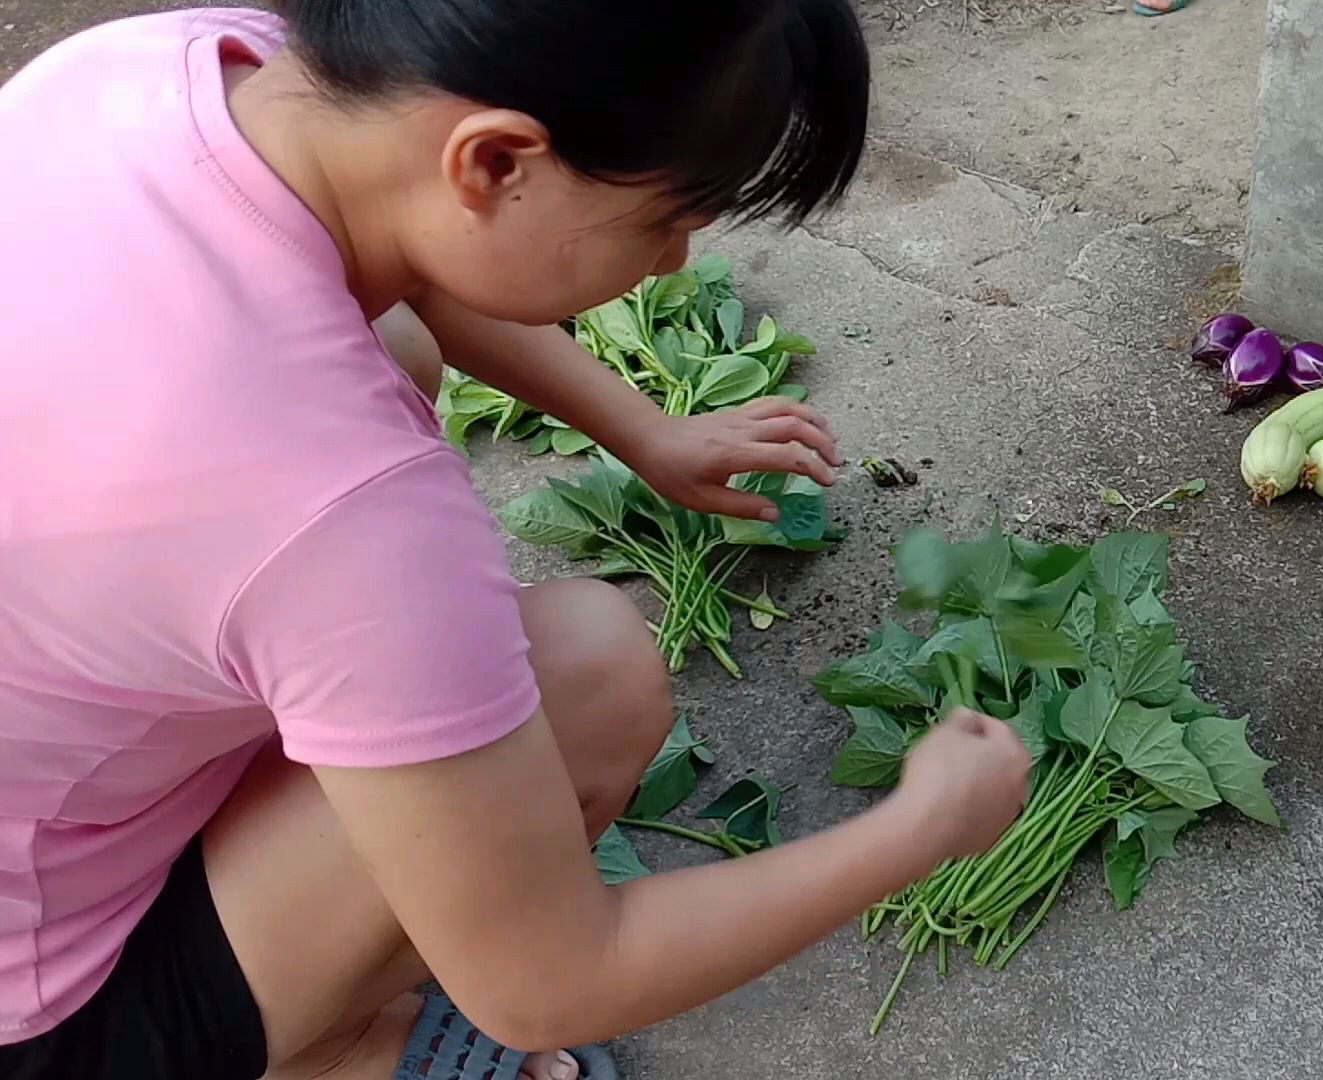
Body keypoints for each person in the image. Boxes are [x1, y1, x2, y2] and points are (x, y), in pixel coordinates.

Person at [0, 4, 1033, 1080]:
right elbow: (547, 984)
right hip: (48, 1015)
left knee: (389, 339)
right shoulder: (347, 514)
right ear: (496, 161)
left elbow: (406, 243)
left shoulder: (164, 67)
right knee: (591, 678)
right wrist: (918, 830)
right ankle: (329, 1045)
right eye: (663, 219)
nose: (677, 259)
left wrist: (643, 427)